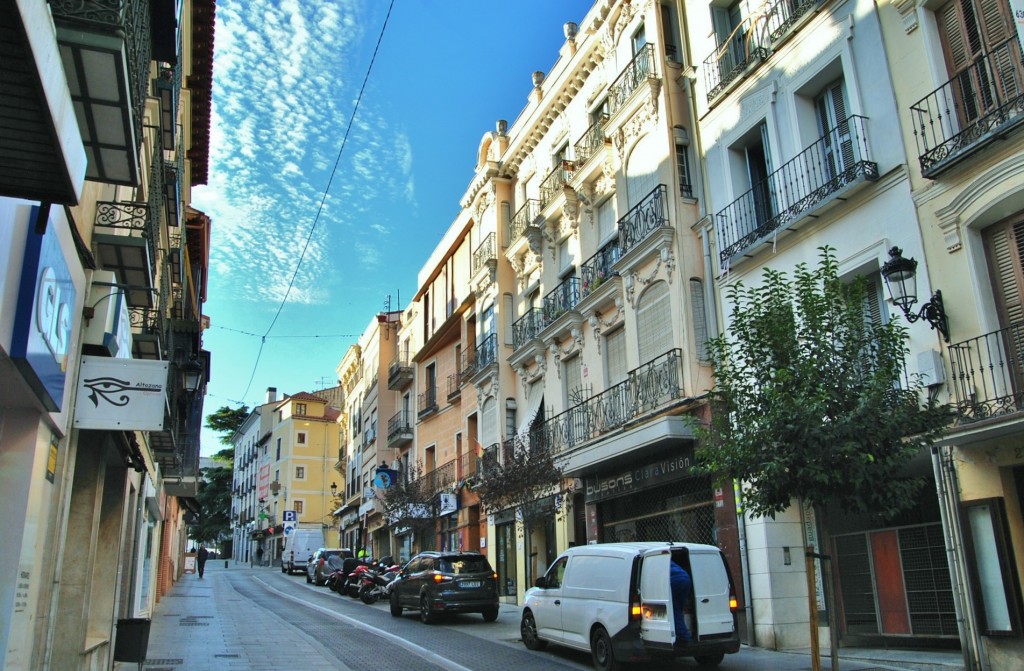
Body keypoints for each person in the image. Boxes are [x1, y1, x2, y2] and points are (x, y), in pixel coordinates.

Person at [670, 560, 692, 644]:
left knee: (674, 610)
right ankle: (683, 633)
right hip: (686, 579)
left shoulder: (652, 560)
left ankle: (684, 636)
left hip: (675, 581)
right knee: (678, 609)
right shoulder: (668, 561)